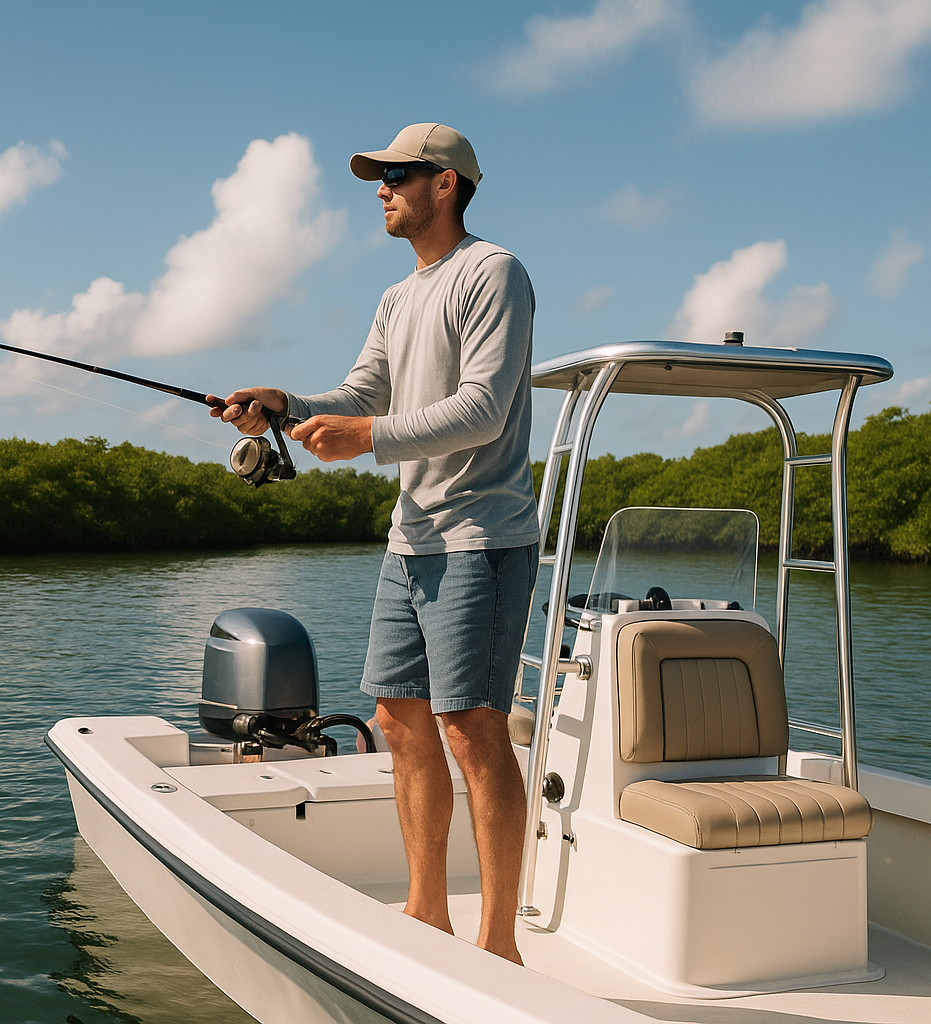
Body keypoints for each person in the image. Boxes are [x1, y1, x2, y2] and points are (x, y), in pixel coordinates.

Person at [209, 123, 538, 965]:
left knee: (473, 729)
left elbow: (483, 408)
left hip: (480, 537)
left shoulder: (493, 274)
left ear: (448, 185)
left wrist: (367, 438)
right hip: (410, 541)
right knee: (398, 721)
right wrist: (282, 403)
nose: (381, 187)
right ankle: (426, 912)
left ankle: (499, 944)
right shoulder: (398, 298)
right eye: (378, 176)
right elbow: (360, 392)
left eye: (398, 174)